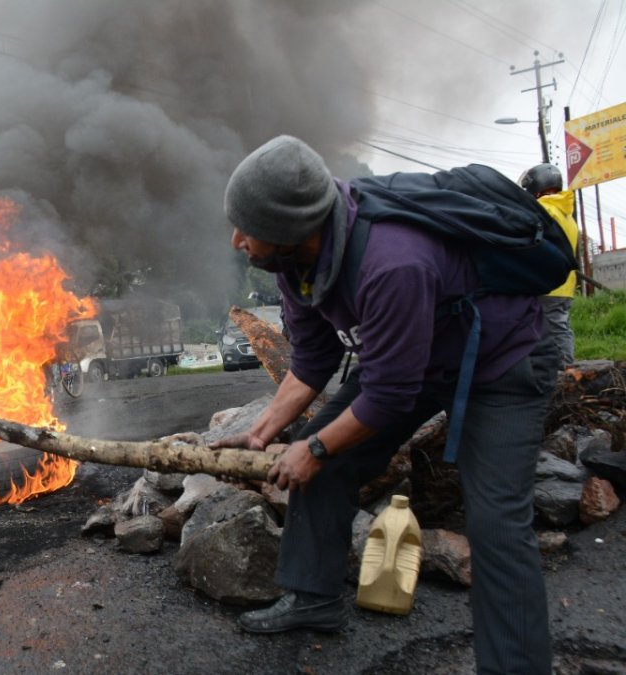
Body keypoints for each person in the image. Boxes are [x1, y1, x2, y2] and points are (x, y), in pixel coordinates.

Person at [214, 136, 557, 674]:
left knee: (495, 524)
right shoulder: (294, 265)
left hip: (496, 362)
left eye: (247, 228)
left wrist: (316, 447)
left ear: (290, 230)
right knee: (322, 463)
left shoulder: (392, 262)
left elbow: (391, 394)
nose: (237, 240)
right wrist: (263, 433)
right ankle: (315, 600)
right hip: (407, 361)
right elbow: (312, 357)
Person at [520, 162, 579, 367]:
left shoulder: (543, 210)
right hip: (565, 284)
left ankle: (565, 372)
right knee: (560, 325)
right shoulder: (565, 214)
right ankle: (563, 368)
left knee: (552, 329)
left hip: (548, 283)